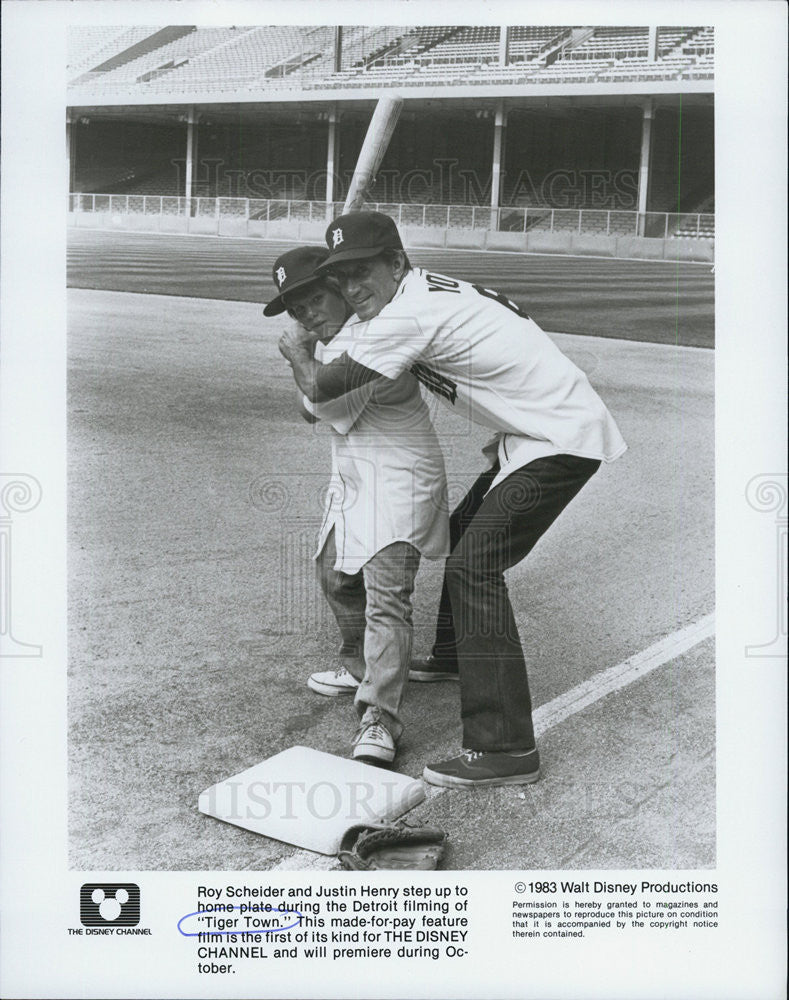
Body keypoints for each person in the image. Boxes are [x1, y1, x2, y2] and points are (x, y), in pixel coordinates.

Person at [278, 212, 627, 788]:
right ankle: (449, 654)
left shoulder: (406, 314)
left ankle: (505, 748)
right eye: (344, 277)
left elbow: (318, 388)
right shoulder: (421, 293)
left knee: (474, 564)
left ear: (396, 262)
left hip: (562, 438)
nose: (354, 288)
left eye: (364, 272)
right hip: (532, 433)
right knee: (467, 538)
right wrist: (512, 419)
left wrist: (297, 348)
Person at [266, 245, 449, 765]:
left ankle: (381, 719)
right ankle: (357, 664)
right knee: (333, 575)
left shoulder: (370, 340)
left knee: (387, 598)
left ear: (342, 289)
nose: (306, 314)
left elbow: (319, 405)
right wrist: (308, 357)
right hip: (355, 476)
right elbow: (312, 410)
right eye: (296, 309)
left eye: (313, 300)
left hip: (399, 481)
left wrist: (299, 355)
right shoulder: (335, 342)